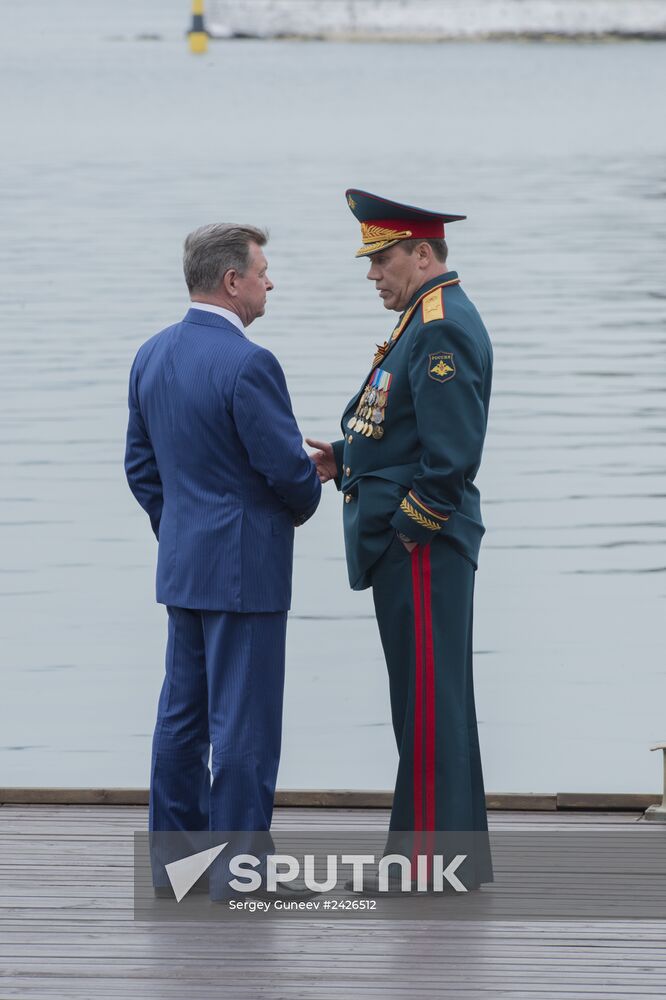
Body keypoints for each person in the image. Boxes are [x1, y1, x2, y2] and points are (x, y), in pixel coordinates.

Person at [125, 223, 321, 894]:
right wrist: (310, 479)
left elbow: (141, 467)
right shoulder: (250, 364)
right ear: (232, 281)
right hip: (247, 573)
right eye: (263, 270)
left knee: (181, 722)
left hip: (185, 567)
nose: (270, 281)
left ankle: (174, 869)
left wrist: (180, 529)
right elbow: (285, 474)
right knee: (245, 728)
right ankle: (241, 877)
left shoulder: (151, 355)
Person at [307, 189, 494, 893]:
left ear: (423, 254)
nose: (372, 273)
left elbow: (449, 458)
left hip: (423, 546)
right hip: (416, 543)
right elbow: (404, 429)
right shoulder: (423, 316)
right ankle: (449, 859)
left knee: (428, 702)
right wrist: (346, 463)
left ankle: (425, 865)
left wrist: (406, 533)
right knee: (431, 699)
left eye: (382, 259)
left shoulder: (439, 327)